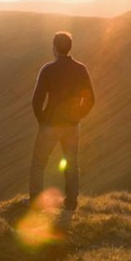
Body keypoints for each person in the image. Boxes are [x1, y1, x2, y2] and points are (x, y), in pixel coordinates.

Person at [29, 31, 95, 211]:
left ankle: (36, 203)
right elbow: (91, 99)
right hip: (71, 126)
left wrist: (43, 120)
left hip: (50, 125)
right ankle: (71, 203)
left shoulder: (48, 70)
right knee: (72, 164)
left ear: (55, 48)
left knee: (39, 163)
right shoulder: (81, 69)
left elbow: (36, 101)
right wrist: (77, 116)